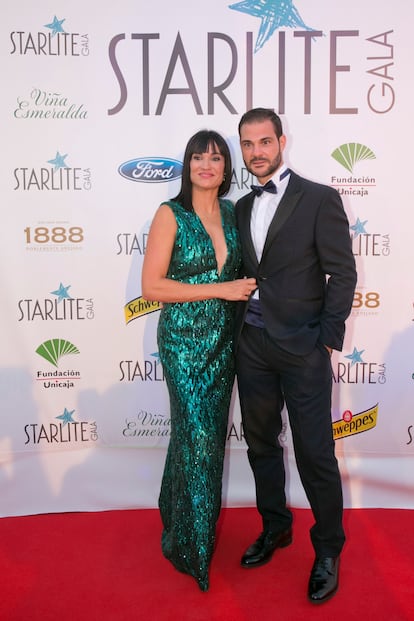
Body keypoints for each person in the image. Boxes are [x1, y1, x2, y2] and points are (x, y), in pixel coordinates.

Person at [234, 108, 357, 603]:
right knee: (261, 442)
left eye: (264, 142)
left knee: (314, 451)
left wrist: (325, 338)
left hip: (304, 347)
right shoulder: (242, 206)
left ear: (281, 141)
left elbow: (342, 273)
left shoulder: (320, 198)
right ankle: (275, 526)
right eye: (247, 144)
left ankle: (327, 548)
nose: (256, 152)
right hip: (253, 346)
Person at [141, 129, 256, 592]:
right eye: (197, 157)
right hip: (185, 345)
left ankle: (174, 514)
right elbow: (153, 287)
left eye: (215, 157)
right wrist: (220, 289)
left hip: (225, 344)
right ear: (187, 166)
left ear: (227, 168)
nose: (206, 165)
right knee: (201, 439)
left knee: (192, 438)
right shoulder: (170, 214)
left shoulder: (232, 212)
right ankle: (192, 547)